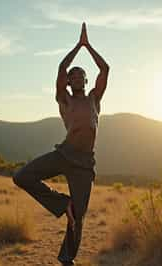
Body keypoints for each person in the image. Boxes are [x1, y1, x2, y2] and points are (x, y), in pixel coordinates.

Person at [12, 22, 109, 266]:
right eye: (72, 76)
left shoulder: (94, 99)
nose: (76, 77)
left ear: (86, 81)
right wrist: (78, 45)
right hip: (64, 154)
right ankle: (61, 202)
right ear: (67, 82)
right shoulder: (63, 99)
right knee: (22, 176)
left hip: (84, 163)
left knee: (79, 215)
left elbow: (105, 68)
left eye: (80, 75)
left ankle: (67, 259)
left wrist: (89, 46)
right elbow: (61, 66)